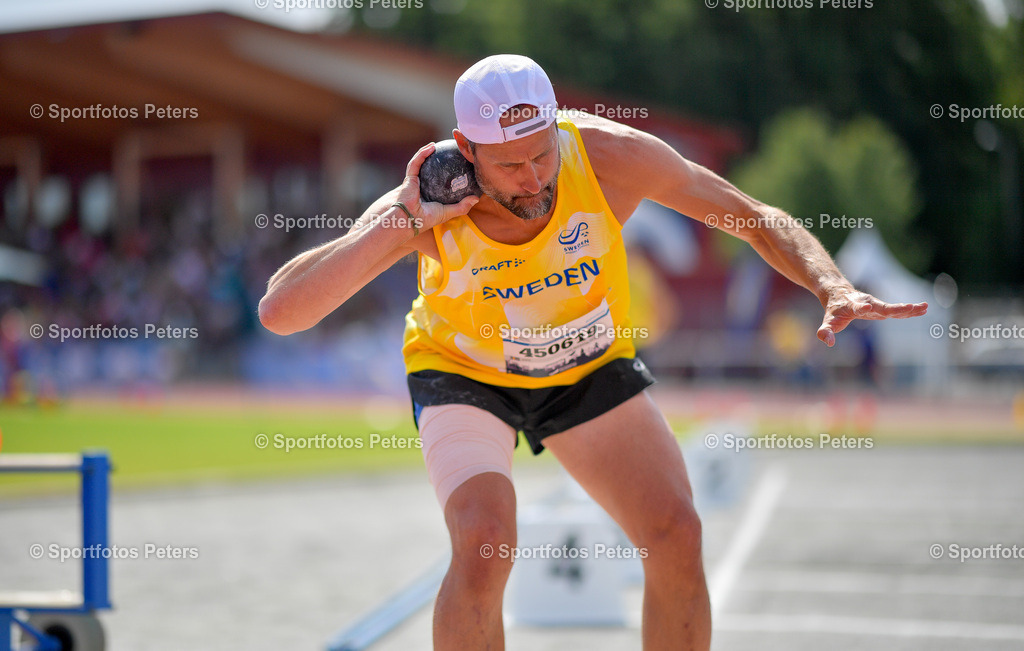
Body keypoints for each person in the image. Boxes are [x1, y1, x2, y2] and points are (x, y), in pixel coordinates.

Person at [258, 54, 928, 650]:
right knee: (486, 546)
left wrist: (829, 282)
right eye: (509, 165)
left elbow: (748, 214)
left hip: (584, 365)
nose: (532, 179)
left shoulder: (609, 157)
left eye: (541, 153)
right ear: (466, 149)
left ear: (557, 126)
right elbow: (283, 311)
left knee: (674, 531)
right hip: (464, 372)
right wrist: (402, 223)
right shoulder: (431, 198)